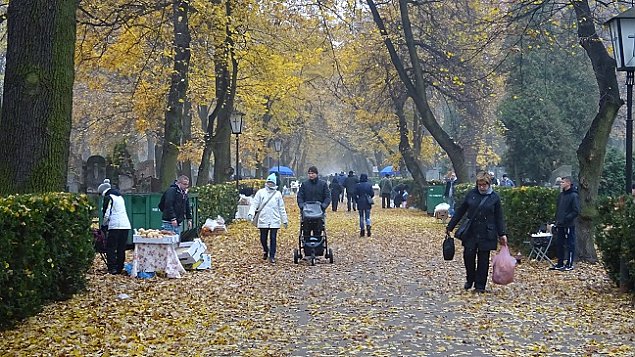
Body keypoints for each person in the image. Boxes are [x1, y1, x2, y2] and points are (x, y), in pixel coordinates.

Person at [446, 171, 508, 293]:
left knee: (483, 259)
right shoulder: (471, 195)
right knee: (468, 256)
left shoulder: (494, 197)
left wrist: (502, 234)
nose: (482, 187)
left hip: (487, 232)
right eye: (479, 185)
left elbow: (499, 217)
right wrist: (450, 226)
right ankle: (470, 278)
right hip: (471, 231)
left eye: (484, 185)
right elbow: (460, 211)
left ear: (489, 184)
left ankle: (480, 285)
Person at [248, 173, 288, 264]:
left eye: (272, 182)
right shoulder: (260, 192)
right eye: (269, 182)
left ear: (275, 183)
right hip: (263, 219)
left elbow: (281, 208)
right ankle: (266, 250)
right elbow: (255, 204)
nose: (270, 184)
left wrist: (284, 220)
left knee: (273, 238)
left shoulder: (277, 194)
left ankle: (272, 255)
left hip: (274, 219)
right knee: (263, 238)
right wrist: (251, 213)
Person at [99, 179, 131, 275]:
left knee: (111, 247)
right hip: (125, 225)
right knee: (121, 247)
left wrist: (104, 225)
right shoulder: (120, 197)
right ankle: (120, 267)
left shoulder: (108, 197)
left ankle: (112, 268)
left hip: (115, 226)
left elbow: (107, 214)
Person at [550, 176, 580, 271]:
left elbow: (576, 211)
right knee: (559, 244)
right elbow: (558, 209)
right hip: (560, 224)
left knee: (570, 244)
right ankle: (560, 263)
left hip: (569, 225)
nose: (561, 184)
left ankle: (569, 264)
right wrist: (556, 221)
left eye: (563, 182)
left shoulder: (574, 196)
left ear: (568, 183)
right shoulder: (561, 196)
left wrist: (566, 219)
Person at [297, 166, 331, 238]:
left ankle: (318, 246)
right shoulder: (304, 184)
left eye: (312, 173)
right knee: (306, 231)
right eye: (309, 173)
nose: (310, 175)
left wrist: (323, 205)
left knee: (318, 231)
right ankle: (307, 246)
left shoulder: (323, 184)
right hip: (306, 212)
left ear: (316, 174)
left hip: (319, 212)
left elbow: (327, 197)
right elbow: (300, 196)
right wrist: (301, 205)